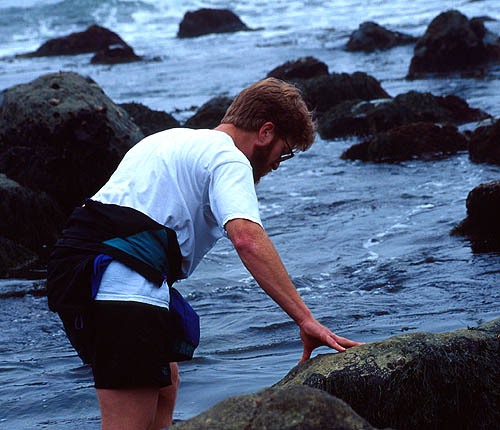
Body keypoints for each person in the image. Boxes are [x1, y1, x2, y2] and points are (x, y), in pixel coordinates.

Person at [47, 77, 362, 430]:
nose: (277, 165)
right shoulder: (229, 158)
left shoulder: (169, 139)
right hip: (122, 280)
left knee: (167, 384)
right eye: (284, 151)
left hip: (81, 275)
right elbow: (247, 240)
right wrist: (306, 320)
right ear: (265, 131)